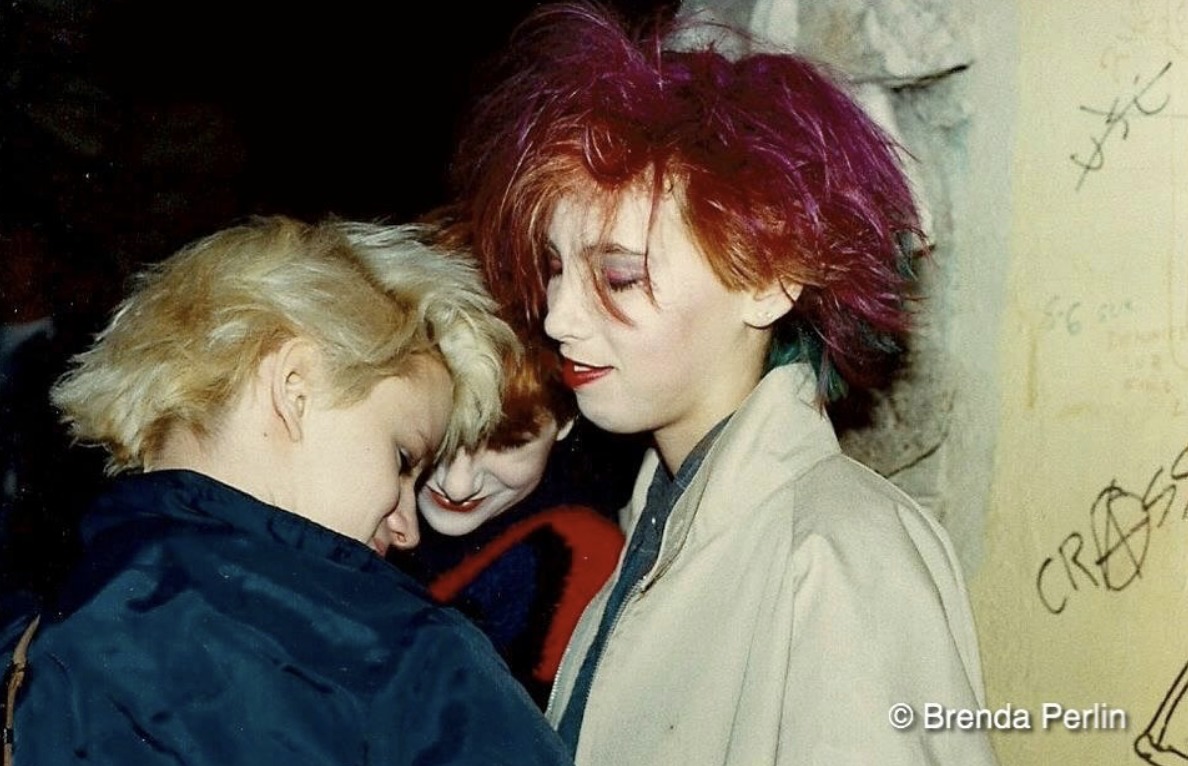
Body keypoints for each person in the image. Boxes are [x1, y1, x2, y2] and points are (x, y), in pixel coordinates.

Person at [452, 3, 999, 764]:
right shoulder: (652, 534)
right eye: (554, 268)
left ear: (770, 277)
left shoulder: (839, 552)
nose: (558, 317)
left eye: (618, 274)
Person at [0, 216, 573, 765]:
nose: (408, 527)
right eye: (403, 459)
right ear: (293, 388)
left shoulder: (25, 646)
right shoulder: (413, 666)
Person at [382, 338, 627, 707]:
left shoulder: (573, 556)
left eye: (507, 444)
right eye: (443, 436)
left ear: (565, 420)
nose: (457, 485)